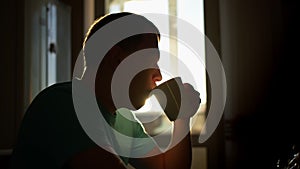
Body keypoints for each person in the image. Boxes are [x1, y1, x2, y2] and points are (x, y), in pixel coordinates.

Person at [11, 12, 201, 169]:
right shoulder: (63, 105)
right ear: (117, 59)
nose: (159, 75)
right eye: (151, 60)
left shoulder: (125, 121)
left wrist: (182, 117)